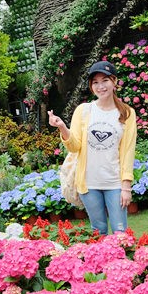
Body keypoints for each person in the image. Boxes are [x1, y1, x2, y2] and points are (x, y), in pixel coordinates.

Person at [48, 61, 137, 235]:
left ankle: (121, 262)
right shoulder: (83, 111)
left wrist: (126, 187)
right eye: (95, 82)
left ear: (114, 81)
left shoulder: (127, 113)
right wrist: (62, 127)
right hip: (89, 184)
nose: (100, 86)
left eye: (105, 80)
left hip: (115, 183)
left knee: (120, 232)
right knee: (99, 231)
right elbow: (74, 146)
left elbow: (128, 152)